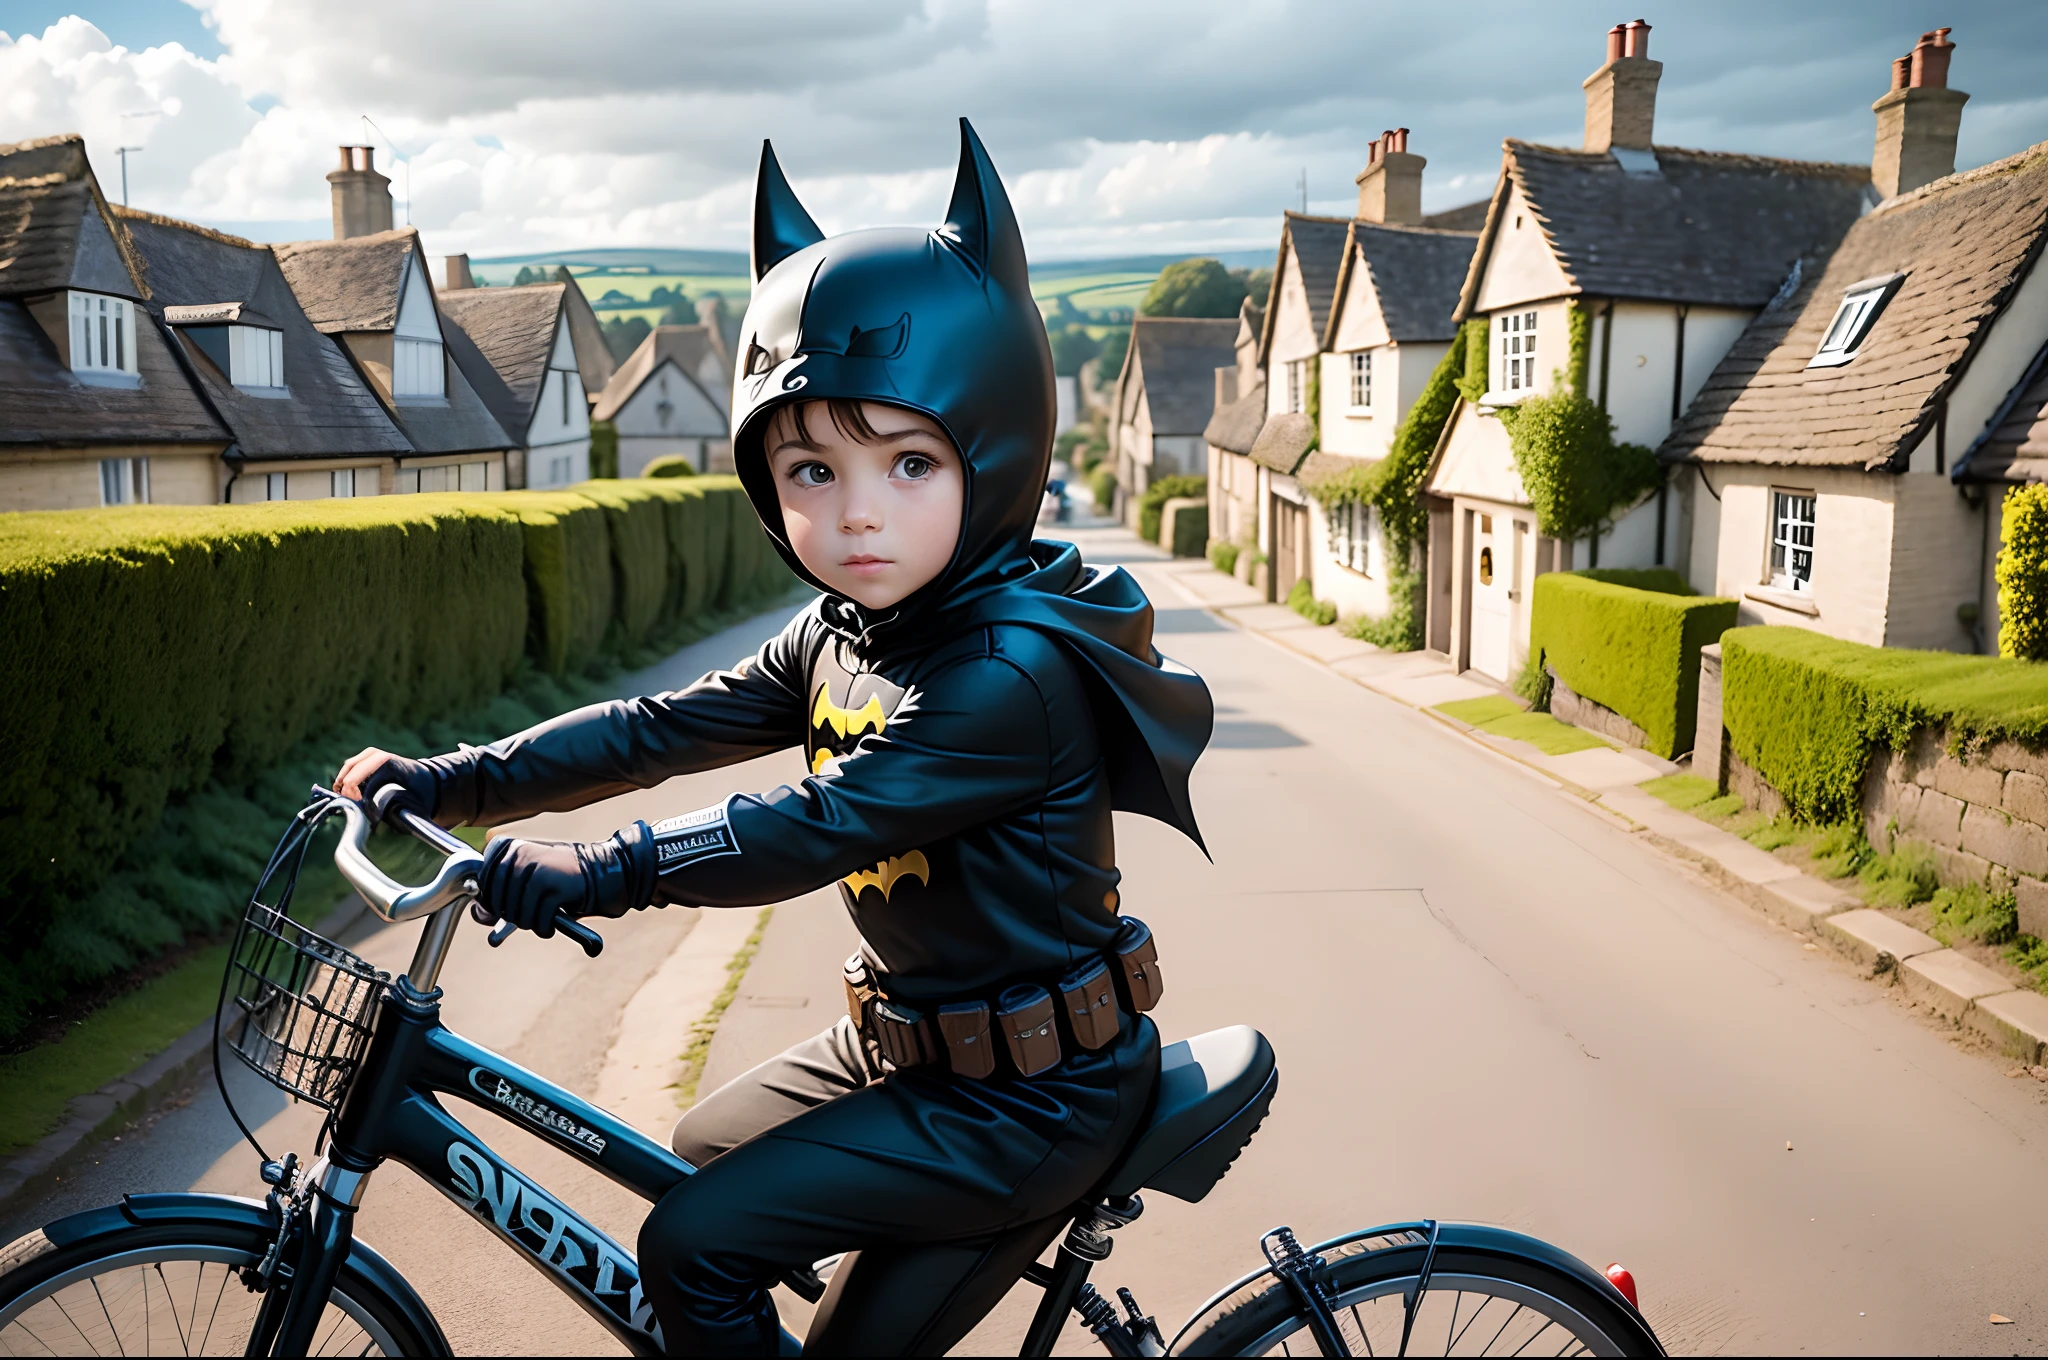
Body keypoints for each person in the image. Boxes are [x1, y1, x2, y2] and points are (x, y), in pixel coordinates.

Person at [335, 120, 1212, 1357]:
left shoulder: (1005, 672)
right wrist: (457, 779)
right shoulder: (844, 628)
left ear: (996, 450)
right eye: (809, 470)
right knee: (696, 1152)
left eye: (909, 461)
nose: (855, 514)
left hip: (1028, 1099)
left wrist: (599, 871)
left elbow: (817, 826)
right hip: (911, 1045)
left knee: (692, 1248)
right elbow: (659, 726)